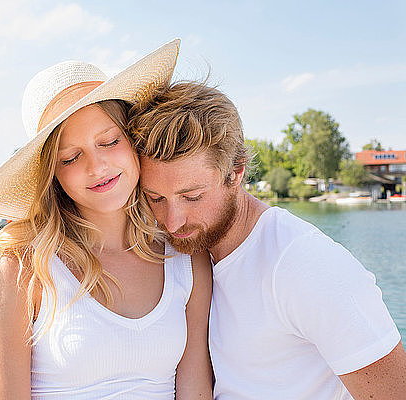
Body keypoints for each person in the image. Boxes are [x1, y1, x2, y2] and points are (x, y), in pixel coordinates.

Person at [0, 40, 213, 399]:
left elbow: (195, 388)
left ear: (132, 138)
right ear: (52, 174)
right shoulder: (20, 268)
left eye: (109, 141)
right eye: (71, 157)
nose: (98, 167)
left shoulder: (186, 257)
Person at [129, 80, 406, 399]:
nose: (172, 220)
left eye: (192, 196)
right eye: (155, 198)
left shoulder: (304, 265)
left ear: (236, 172)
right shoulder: (183, 253)